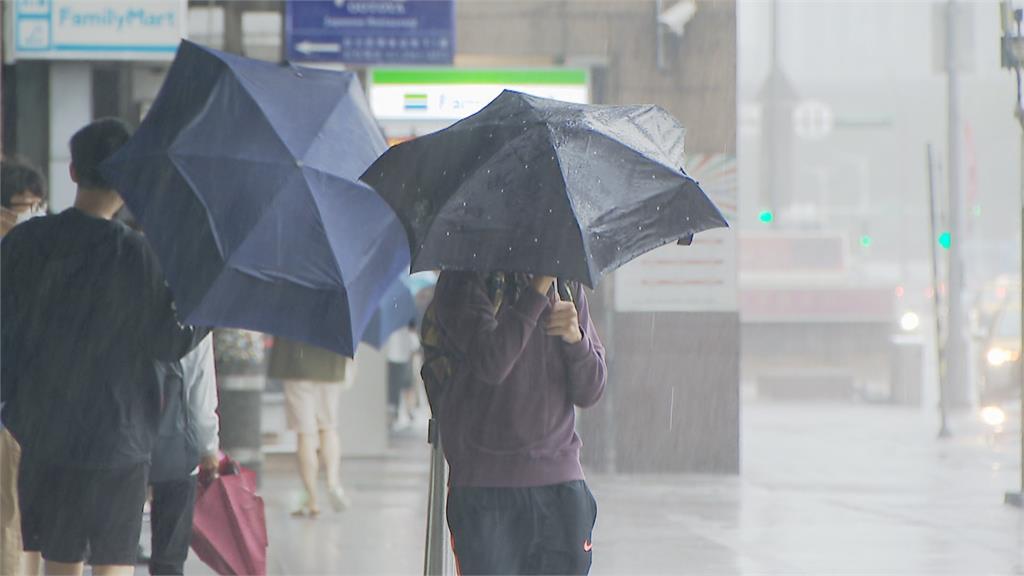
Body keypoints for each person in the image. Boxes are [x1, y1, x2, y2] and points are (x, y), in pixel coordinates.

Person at [1, 118, 207, 576]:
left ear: (72, 172)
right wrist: (205, 308)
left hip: (43, 431)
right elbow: (168, 343)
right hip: (119, 436)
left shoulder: (24, 244)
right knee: (114, 563)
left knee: (58, 559)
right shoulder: (139, 255)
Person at [430, 271, 606, 575]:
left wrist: (576, 339)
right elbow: (492, 362)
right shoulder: (464, 279)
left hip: (559, 486)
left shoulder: (565, 284)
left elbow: (591, 389)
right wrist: (536, 291)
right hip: (485, 490)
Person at [0, 156, 48, 576]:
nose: (30, 212)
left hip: (33, 407)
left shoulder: (39, 254)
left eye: (38, 203)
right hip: (10, 410)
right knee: (11, 521)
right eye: (21, 204)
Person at [147, 335, 221, 576]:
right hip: (177, 450)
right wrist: (209, 448)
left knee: (115, 552)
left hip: (124, 445)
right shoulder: (194, 322)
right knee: (169, 560)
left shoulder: (125, 307)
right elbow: (201, 393)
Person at [267, 336, 355, 517]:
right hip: (331, 362)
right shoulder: (338, 306)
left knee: (305, 433)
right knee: (328, 427)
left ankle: (312, 499)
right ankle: (333, 482)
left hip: (296, 363)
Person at [386, 320, 421, 429]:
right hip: (405, 360)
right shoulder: (408, 330)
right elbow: (415, 347)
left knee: (394, 388)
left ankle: (394, 413)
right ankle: (409, 410)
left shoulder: (390, 329)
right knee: (408, 385)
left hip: (392, 360)